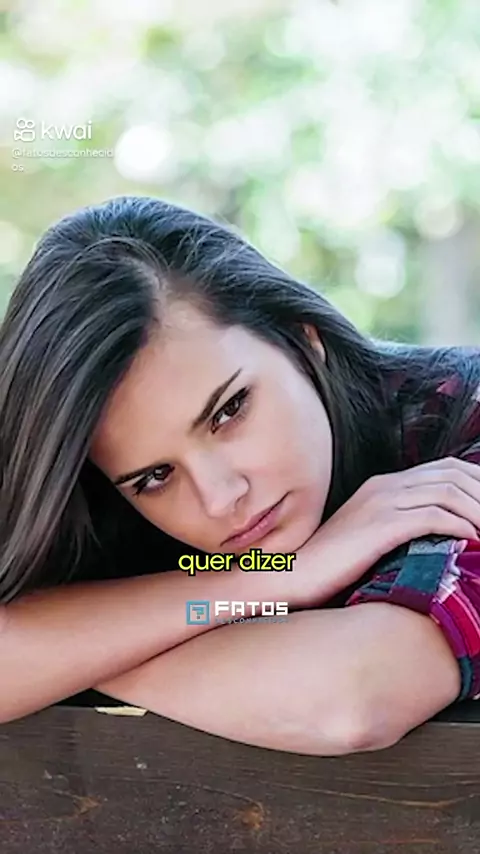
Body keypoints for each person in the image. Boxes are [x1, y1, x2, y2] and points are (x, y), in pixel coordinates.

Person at [1, 194, 480, 756]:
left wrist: (71, 655)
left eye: (229, 412)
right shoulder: (102, 508)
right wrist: (273, 577)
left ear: (303, 340)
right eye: (154, 477)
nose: (221, 497)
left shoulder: (463, 424)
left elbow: (353, 695)